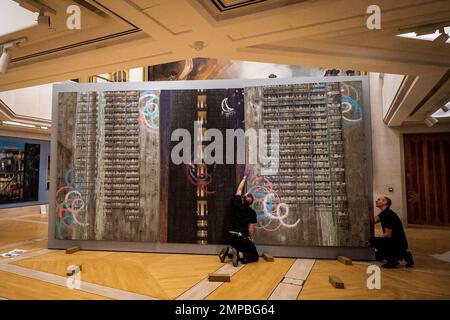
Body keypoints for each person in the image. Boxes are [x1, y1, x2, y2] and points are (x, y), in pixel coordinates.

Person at [218, 168, 259, 267]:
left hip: (231, 237)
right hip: (242, 237)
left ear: (242, 198)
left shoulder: (236, 203)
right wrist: (251, 240)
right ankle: (240, 255)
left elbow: (239, 189)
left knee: (240, 247)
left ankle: (229, 251)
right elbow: (250, 228)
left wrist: (245, 176)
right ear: (251, 203)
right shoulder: (252, 213)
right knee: (254, 255)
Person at [369, 196, 414, 268]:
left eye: (379, 199)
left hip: (397, 243)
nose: (376, 201)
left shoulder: (388, 215)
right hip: (399, 243)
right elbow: (373, 221)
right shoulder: (385, 213)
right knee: (377, 244)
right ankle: (405, 255)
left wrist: (378, 241)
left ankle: (392, 260)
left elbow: (388, 235)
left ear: (385, 202)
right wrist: (369, 210)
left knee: (372, 240)